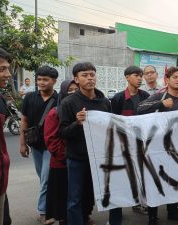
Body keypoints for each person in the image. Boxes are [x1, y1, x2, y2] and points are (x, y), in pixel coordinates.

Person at [137, 66, 178, 225]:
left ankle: (173, 211)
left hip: (177, 149)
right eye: (175, 77)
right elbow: (139, 109)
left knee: (175, 180)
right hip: (157, 148)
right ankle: (152, 217)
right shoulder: (158, 96)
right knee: (155, 181)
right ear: (167, 80)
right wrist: (160, 105)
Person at [59, 62, 111, 225]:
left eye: (92, 74)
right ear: (76, 79)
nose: (89, 78)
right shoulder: (68, 102)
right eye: (85, 75)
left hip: (99, 158)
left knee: (92, 196)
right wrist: (77, 123)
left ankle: (85, 218)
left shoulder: (105, 102)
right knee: (74, 199)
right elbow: (62, 132)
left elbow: (110, 128)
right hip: (77, 159)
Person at [108, 65, 150, 224]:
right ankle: (115, 217)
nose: (140, 78)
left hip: (140, 146)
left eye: (141, 75)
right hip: (122, 147)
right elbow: (112, 121)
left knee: (139, 178)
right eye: (136, 75)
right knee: (118, 181)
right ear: (127, 77)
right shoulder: (118, 98)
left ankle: (138, 204)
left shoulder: (145, 96)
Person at [19, 65, 58, 224]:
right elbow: (24, 120)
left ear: (54, 81)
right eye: (39, 79)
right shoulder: (29, 98)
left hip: (52, 145)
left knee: (46, 179)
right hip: (35, 144)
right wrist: (23, 144)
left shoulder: (60, 98)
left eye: (45, 79)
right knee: (43, 177)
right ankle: (50, 206)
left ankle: (43, 211)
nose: (41, 82)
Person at [43, 80, 78, 225]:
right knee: (62, 197)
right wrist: (66, 155)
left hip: (78, 161)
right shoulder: (55, 113)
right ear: (63, 92)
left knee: (76, 195)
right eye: (70, 90)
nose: (74, 93)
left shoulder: (80, 111)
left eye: (77, 89)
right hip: (61, 163)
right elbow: (51, 140)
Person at [0, 46, 11, 225]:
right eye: (1, 69)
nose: (8, 74)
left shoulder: (0, 101)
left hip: (0, 181)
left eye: (8, 68)